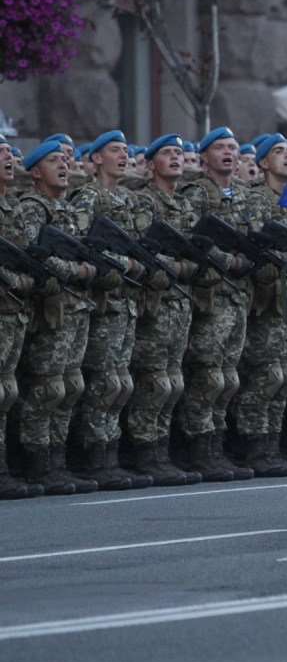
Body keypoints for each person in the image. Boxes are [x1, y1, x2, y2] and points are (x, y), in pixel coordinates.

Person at [67, 130, 157, 491]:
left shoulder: (128, 198)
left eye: (124, 150)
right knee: (103, 381)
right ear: (96, 159)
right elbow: (85, 244)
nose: (122, 156)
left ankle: (112, 454)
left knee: (121, 381)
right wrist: (125, 264)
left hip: (127, 303)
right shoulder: (88, 196)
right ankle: (94, 457)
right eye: (113, 150)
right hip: (104, 304)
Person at [14, 139, 99, 494]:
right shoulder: (33, 208)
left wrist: (91, 268)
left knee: (70, 386)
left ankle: (58, 460)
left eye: (65, 160)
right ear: (35, 172)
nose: (64, 165)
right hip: (51, 309)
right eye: (53, 161)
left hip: (76, 306)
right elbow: (35, 255)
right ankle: (37, 461)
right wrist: (78, 270)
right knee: (47, 386)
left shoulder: (67, 209)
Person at [175, 127, 260, 481]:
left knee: (228, 377)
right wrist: (229, 261)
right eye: (220, 148)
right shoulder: (196, 193)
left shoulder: (244, 194)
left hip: (240, 295)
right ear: (205, 155)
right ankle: (199, 448)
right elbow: (192, 239)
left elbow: (256, 235)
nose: (228, 153)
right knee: (208, 374)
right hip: (212, 296)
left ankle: (218, 446)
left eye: (233, 148)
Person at [123, 133, 202, 486]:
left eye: (180, 153)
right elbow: (145, 250)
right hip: (156, 303)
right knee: (153, 380)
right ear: (150, 163)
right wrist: (183, 267)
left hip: (181, 301)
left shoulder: (184, 204)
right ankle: (145, 451)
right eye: (167, 153)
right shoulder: (143, 202)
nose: (176, 158)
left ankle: (163, 450)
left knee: (173, 380)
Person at [234, 134, 287, 477]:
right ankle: (255, 445)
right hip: (267, 301)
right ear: (263, 163)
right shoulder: (257, 201)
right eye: (279, 153)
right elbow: (255, 250)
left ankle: (274, 444)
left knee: (285, 376)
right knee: (265, 375)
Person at [0, 132, 45, 499]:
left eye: (6, 151)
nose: (7, 158)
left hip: (14, 311)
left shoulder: (14, 207)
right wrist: (18, 279)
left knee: (6, 391)